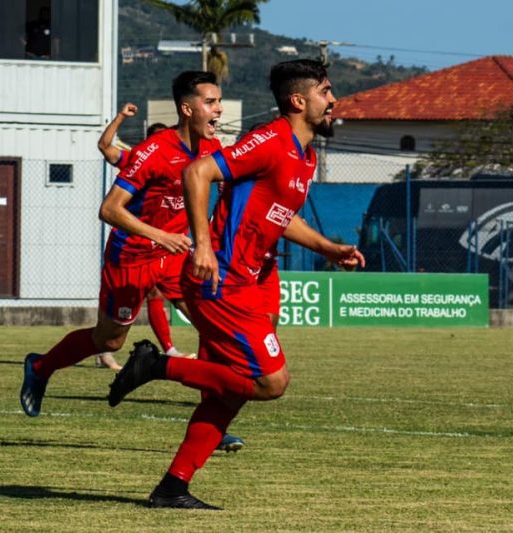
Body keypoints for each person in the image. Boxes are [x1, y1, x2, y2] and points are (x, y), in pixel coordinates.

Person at [107, 59, 365, 509]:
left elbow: (281, 217)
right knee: (271, 382)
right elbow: (197, 173)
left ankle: (172, 487)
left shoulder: (304, 156)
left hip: (248, 282)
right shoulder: (271, 140)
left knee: (232, 391)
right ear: (298, 100)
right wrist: (203, 246)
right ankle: (156, 366)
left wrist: (328, 248)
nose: (333, 100)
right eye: (325, 92)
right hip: (221, 281)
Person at [20, 71, 223, 419]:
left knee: (213, 327)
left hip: (175, 258)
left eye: (219, 101)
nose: (218, 109)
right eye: (210, 102)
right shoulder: (153, 151)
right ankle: (40, 367)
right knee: (109, 341)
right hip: (131, 258)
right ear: (187, 109)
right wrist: (161, 236)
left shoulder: (212, 150)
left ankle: (211, 418)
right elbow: (109, 209)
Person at [95, 110, 195, 364]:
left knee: (179, 298)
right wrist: (120, 116)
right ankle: (103, 347)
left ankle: (174, 350)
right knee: (120, 323)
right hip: (137, 245)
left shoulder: (186, 162)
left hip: (167, 245)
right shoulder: (138, 160)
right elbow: (105, 147)